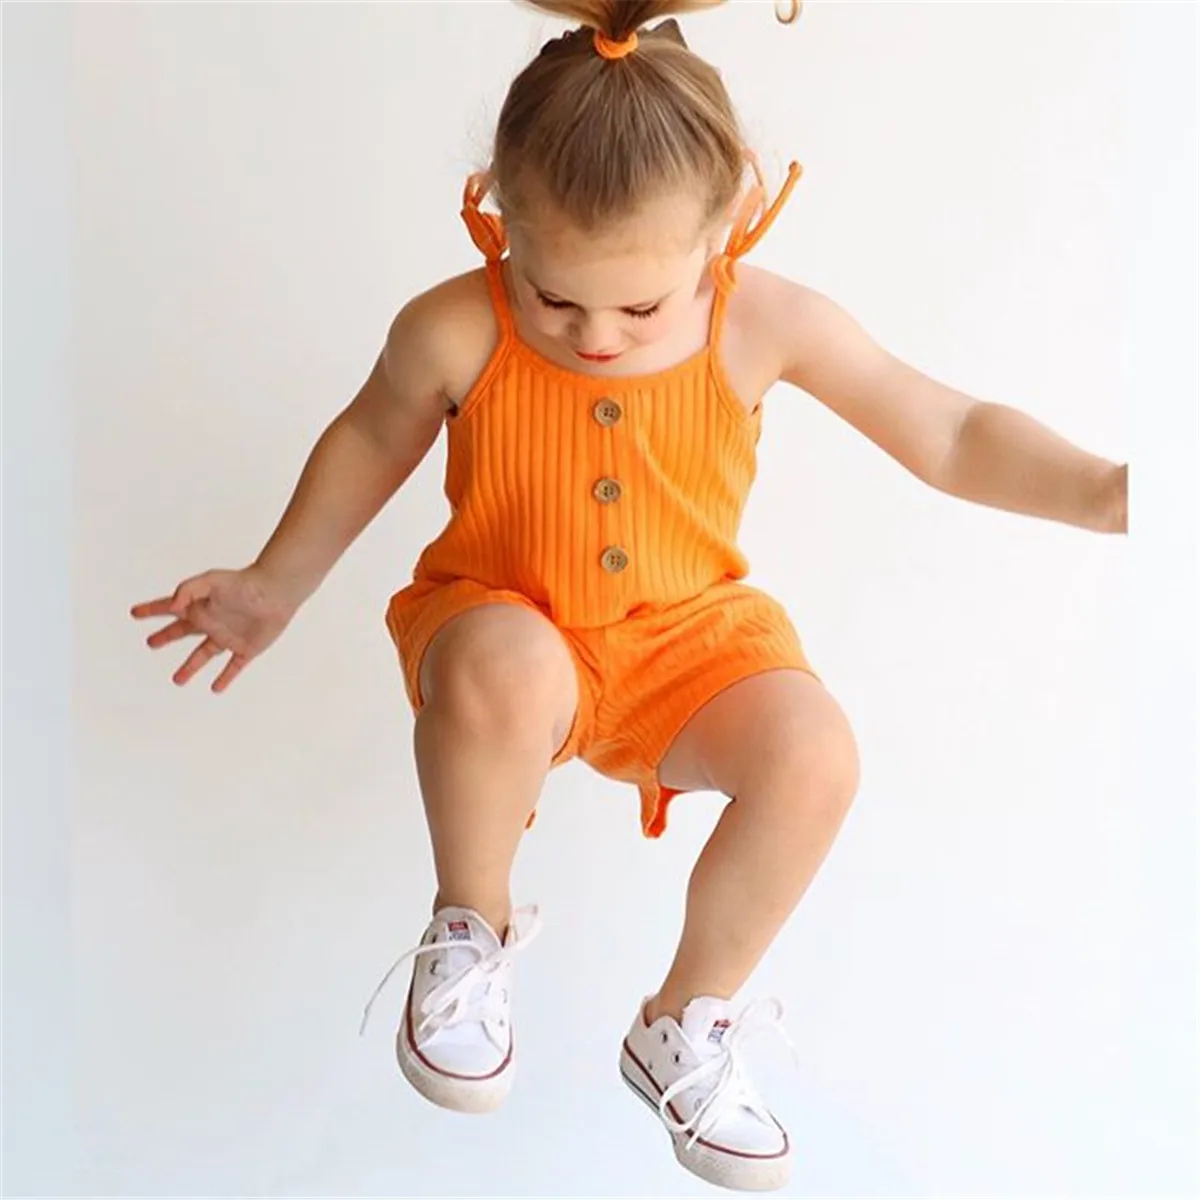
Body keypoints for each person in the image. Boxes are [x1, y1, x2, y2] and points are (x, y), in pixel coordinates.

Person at [131, 0, 1128, 1190]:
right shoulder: (454, 326)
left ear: (730, 217)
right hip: (502, 620)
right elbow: (364, 444)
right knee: (508, 664)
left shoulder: (767, 321)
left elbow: (953, 432)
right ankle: (470, 929)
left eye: (641, 308)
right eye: (554, 298)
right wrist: (274, 584)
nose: (595, 335)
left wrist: (1108, 491)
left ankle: (686, 1025)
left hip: (690, 642)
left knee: (816, 753)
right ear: (496, 213)